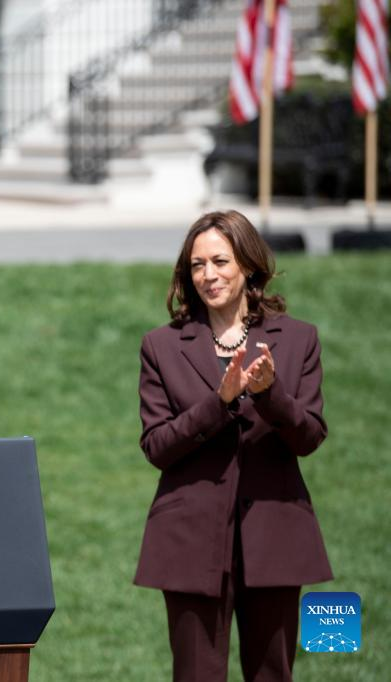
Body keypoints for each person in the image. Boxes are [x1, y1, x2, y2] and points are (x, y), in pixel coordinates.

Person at [134, 211, 332, 681]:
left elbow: (309, 436)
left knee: (273, 674)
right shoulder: (161, 346)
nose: (209, 275)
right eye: (197, 265)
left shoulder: (299, 339)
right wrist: (217, 403)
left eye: (220, 261)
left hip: (276, 536)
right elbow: (157, 445)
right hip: (189, 541)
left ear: (247, 264)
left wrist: (269, 395)